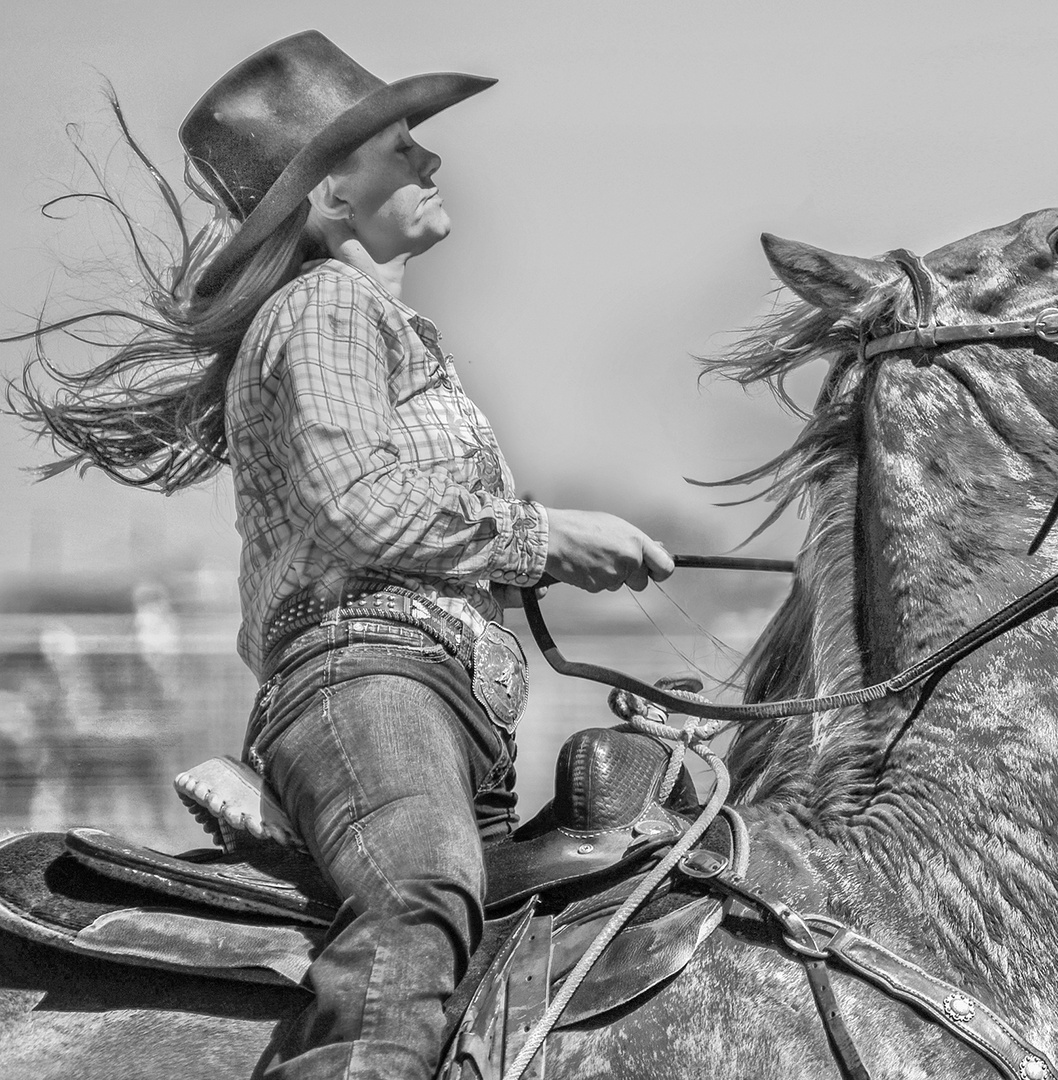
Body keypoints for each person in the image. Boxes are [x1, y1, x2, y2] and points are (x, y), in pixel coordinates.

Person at [7, 30, 674, 1080]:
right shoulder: (326, 306)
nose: (432, 161)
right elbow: (354, 505)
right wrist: (546, 536)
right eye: (402, 149)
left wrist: (533, 548)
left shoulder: (385, 329)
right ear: (330, 200)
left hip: (443, 707)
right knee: (420, 899)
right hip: (373, 684)